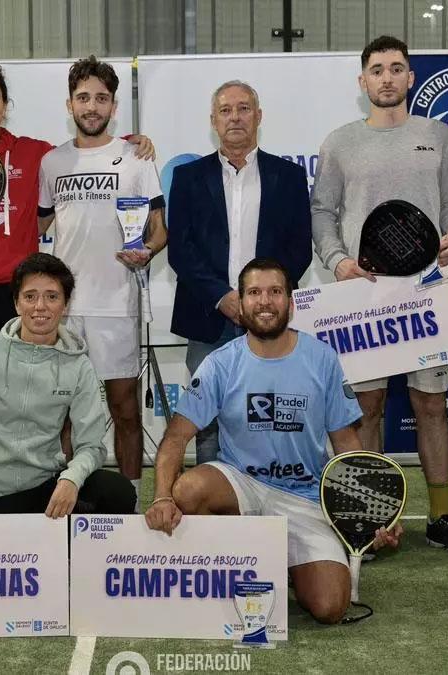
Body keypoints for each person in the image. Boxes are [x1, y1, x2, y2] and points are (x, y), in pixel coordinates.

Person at [0, 62, 154, 515]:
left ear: (6, 105)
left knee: (22, 408)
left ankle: (27, 494)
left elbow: (89, 149)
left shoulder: (35, 155)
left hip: (11, 297)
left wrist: (133, 143)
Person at [145, 258, 402, 625]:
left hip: (305, 495)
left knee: (331, 607)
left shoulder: (322, 359)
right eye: (254, 292)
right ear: (240, 303)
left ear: (291, 302)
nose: (265, 301)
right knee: (188, 490)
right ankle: (246, 559)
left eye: (275, 292)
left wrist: (369, 513)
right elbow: (175, 439)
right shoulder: (221, 363)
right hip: (242, 485)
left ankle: (284, 563)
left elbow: (346, 443)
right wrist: (162, 496)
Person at [310, 35, 448, 557]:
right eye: (377, 70)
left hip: (426, 290)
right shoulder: (340, 142)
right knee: (367, 407)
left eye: (396, 68)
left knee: (432, 404)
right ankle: (372, 523)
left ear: (410, 77)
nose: (387, 78)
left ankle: (441, 518)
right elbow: (322, 211)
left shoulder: (438, 135)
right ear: (363, 81)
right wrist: (338, 261)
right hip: (364, 294)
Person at [38, 56, 168, 511]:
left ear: (113, 106)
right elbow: (40, 227)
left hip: (116, 304)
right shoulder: (52, 161)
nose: (91, 106)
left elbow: (159, 229)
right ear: (69, 104)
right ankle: (63, 503)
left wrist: (147, 251)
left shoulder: (137, 157)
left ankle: (128, 506)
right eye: (83, 98)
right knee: (62, 414)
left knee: (125, 410)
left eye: (100, 98)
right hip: (65, 310)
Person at [0, 253, 136, 516]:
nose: (40, 306)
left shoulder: (79, 365)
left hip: (43, 490)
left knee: (117, 492)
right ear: (17, 303)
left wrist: (71, 479)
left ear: (65, 305)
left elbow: (92, 446)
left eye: (52, 297)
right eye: (30, 296)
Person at [168, 79, 312, 465]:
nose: (235, 117)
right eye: (226, 110)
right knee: (207, 421)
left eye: (244, 108)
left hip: (268, 317)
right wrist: (223, 297)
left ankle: (270, 493)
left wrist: (261, 299)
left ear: (259, 116)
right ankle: (211, 498)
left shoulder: (289, 176)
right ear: (213, 120)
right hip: (207, 317)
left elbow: (299, 248)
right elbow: (181, 250)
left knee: (272, 416)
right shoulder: (188, 178)